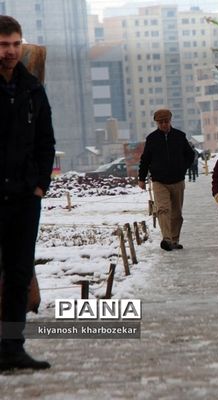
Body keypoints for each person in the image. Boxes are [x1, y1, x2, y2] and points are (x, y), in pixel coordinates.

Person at [0, 16, 55, 371]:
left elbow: (46, 140)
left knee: (19, 273)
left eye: (16, 44)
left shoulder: (32, 88)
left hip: (24, 198)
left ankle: (12, 347)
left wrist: (40, 185)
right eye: (5, 44)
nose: (11, 51)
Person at [138, 109, 195, 251]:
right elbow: (145, 160)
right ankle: (167, 239)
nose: (164, 124)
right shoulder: (151, 139)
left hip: (177, 180)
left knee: (177, 213)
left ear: (170, 121)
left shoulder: (179, 136)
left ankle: (175, 240)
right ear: (157, 123)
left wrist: (183, 168)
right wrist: (141, 178)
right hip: (159, 181)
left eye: (166, 121)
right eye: (161, 122)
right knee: (163, 209)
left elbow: (190, 155)